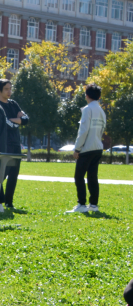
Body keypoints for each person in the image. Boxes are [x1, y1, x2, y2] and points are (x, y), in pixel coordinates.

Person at [66, 83, 106, 214]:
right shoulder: (101, 111)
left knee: (79, 176)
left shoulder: (87, 110)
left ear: (86, 95)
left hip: (87, 149)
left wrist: (77, 149)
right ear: (99, 96)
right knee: (92, 177)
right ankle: (93, 205)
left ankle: (81, 204)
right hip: (98, 148)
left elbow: (83, 131)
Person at [0, 79, 29, 209]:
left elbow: (25, 119)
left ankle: (9, 202)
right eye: (6, 89)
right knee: (2, 174)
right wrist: (17, 120)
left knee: (14, 174)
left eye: (10, 88)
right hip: (4, 144)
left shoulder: (13, 104)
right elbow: (6, 124)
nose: (9, 91)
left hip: (16, 144)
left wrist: (12, 119)